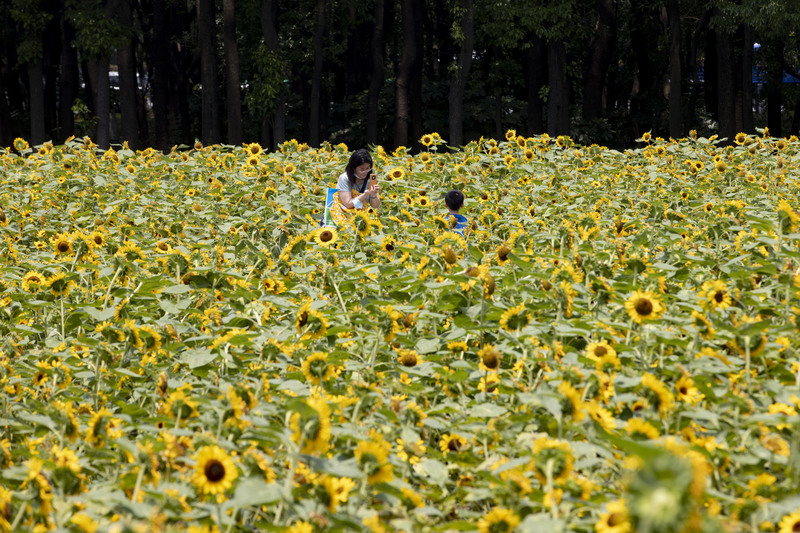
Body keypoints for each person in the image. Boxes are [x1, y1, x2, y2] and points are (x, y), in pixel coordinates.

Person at [329, 148, 381, 226]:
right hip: (342, 217)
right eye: (361, 169)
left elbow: (375, 206)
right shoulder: (345, 178)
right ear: (353, 168)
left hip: (360, 219)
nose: (365, 172)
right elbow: (348, 204)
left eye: (368, 168)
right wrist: (365, 194)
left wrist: (373, 195)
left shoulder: (370, 180)